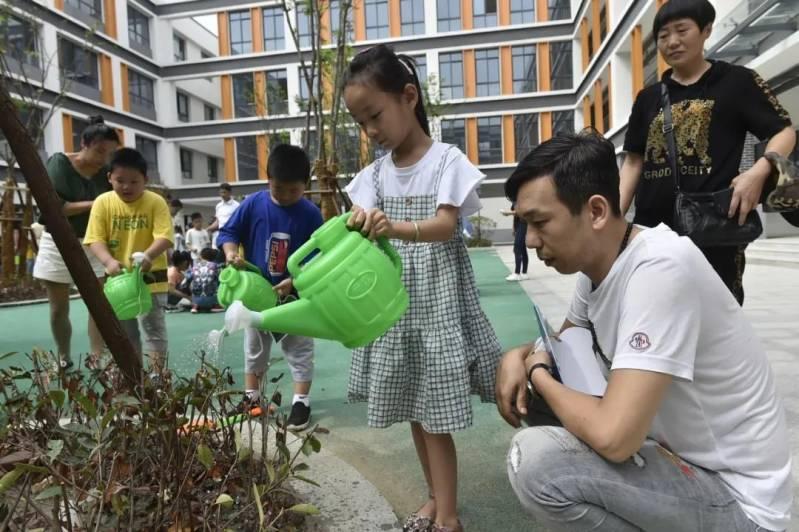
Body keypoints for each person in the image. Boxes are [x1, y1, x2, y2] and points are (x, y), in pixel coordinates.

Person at [495, 131, 791, 532]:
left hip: (738, 501)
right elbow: (562, 349)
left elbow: (615, 437)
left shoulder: (660, 269)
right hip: (680, 462)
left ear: (596, 211)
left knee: (537, 461)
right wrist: (518, 356)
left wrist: (535, 372)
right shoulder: (600, 266)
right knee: (545, 400)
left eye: (540, 222)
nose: (530, 241)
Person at [343, 45, 501, 532]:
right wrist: (357, 223)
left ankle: (448, 517)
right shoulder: (373, 174)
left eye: (375, 116)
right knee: (415, 409)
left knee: (436, 418)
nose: (371, 132)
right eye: (361, 123)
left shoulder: (445, 161)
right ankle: (434, 498)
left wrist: (397, 229)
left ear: (409, 97)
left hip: (434, 307)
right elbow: (362, 224)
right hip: (394, 309)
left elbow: (446, 226)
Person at [619, 0, 796, 304]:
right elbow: (634, 162)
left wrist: (759, 170)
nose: (672, 41)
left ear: (706, 31)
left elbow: (783, 131)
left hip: (715, 230)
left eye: (682, 30)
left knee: (717, 316)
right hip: (653, 231)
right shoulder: (648, 98)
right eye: (663, 35)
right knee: (654, 311)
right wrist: (612, 219)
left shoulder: (738, 81)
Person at [217, 143, 324, 431]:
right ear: (268, 182)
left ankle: (301, 400)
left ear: (306, 185)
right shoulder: (253, 203)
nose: (287, 197)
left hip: (294, 297)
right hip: (255, 293)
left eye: (294, 191)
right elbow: (228, 232)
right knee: (254, 347)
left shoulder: (311, 214)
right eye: (279, 189)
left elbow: (320, 256)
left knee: (299, 347)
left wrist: (298, 281)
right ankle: (252, 398)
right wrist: (230, 253)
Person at [32, 115, 119, 368]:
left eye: (110, 153)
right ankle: (63, 356)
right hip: (58, 241)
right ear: (84, 143)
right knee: (59, 308)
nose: (104, 158)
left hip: (95, 243)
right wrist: (98, 203)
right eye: (100, 151)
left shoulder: (107, 174)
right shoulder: (60, 163)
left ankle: (96, 357)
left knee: (98, 305)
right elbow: (54, 207)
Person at [84, 148, 174, 374]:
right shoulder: (103, 203)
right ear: (109, 178)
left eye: (134, 181)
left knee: (154, 329)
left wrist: (149, 256)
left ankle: (156, 378)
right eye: (120, 180)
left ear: (146, 179)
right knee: (125, 332)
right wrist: (108, 261)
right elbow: (94, 239)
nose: (127, 187)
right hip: (118, 282)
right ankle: (134, 379)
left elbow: (165, 237)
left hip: (151, 279)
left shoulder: (156, 202)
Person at [187, 247, 223, 313]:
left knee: (193, 282)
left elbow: (186, 281)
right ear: (213, 257)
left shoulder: (195, 266)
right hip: (211, 299)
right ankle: (215, 305)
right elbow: (220, 280)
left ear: (201, 256)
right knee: (218, 282)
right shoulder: (216, 266)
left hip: (196, 299)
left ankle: (195, 306)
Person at [206, 183, 240, 249]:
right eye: (221, 192)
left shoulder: (237, 205)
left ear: (230, 192)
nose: (222, 195)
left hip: (232, 235)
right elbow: (218, 222)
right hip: (221, 235)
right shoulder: (218, 206)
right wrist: (208, 229)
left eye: (224, 192)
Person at [501, 203, 529, 281]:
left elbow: (521, 212)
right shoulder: (515, 199)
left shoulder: (522, 197)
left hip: (523, 224)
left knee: (517, 248)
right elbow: (515, 215)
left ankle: (517, 273)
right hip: (519, 224)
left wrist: (507, 213)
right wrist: (513, 228)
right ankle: (524, 273)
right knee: (522, 249)